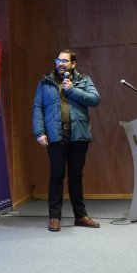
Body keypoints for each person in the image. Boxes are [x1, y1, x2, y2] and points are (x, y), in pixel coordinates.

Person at [32, 49, 101, 232]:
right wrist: (39, 132)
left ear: (73, 64)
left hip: (79, 134)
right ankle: (54, 217)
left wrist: (72, 90)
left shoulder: (83, 80)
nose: (60, 64)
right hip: (55, 134)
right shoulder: (45, 82)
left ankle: (80, 216)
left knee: (76, 176)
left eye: (64, 61)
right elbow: (38, 107)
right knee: (56, 175)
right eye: (58, 60)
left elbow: (95, 100)